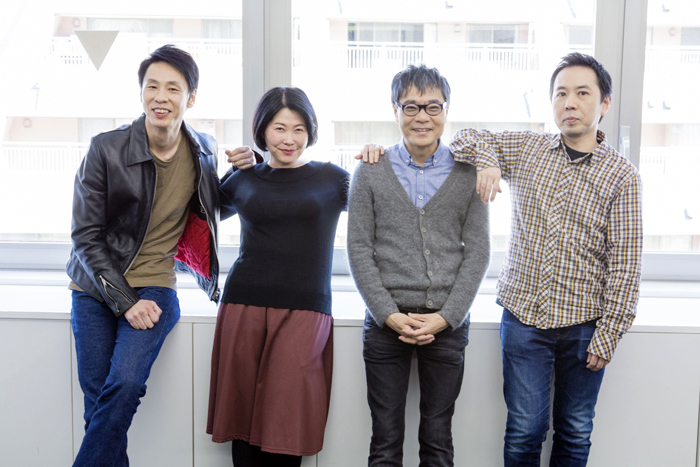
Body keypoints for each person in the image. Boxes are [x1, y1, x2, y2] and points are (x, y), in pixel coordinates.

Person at [448, 52, 643, 465]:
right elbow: (465, 137)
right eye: (560, 93)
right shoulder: (528, 148)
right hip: (524, 318)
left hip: (585, 325)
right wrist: (489, 163)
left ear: (604, 103)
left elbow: (625, 264)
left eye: (582, 93)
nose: (569, 103)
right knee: (524, 430)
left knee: (575, 430)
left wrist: (608, 334)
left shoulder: (622, 175)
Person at [66, 44, 256, 466]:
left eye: (173, 88)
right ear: (141, 93)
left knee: (124, 384)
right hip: (94, 287)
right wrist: (125, 302)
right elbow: (85, 235)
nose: (160, 97)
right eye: (152, 86)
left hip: (156, 285)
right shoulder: (106, 148)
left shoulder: (203, 149)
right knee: (99, 400)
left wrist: (249, 169)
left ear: (191, 98)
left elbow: (210, 208)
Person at [347, 64, 490, 466]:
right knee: (385, 440)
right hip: (384, 322)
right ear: (395, 111)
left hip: (446, 323)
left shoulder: (468, 171)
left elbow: (478, 251)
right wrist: (388, 315)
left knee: (438, 439)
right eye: (410, 106)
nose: (422, 116)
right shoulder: (370, 170)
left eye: (432, 106)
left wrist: (447, 317)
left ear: (446, 110)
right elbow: (358, 248)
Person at [206, 86, 350, 467]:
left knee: (286, 423)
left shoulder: (333, 178)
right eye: (279, 128)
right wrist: (234, 167)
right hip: (243, 304)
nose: (289, 139)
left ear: (311, 132)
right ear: (262, 131)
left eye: (299, 129)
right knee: (243, 421)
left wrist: (377, 159)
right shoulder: (245, 178)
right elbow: (204, 212)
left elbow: (382, 205)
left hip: (306, 309)